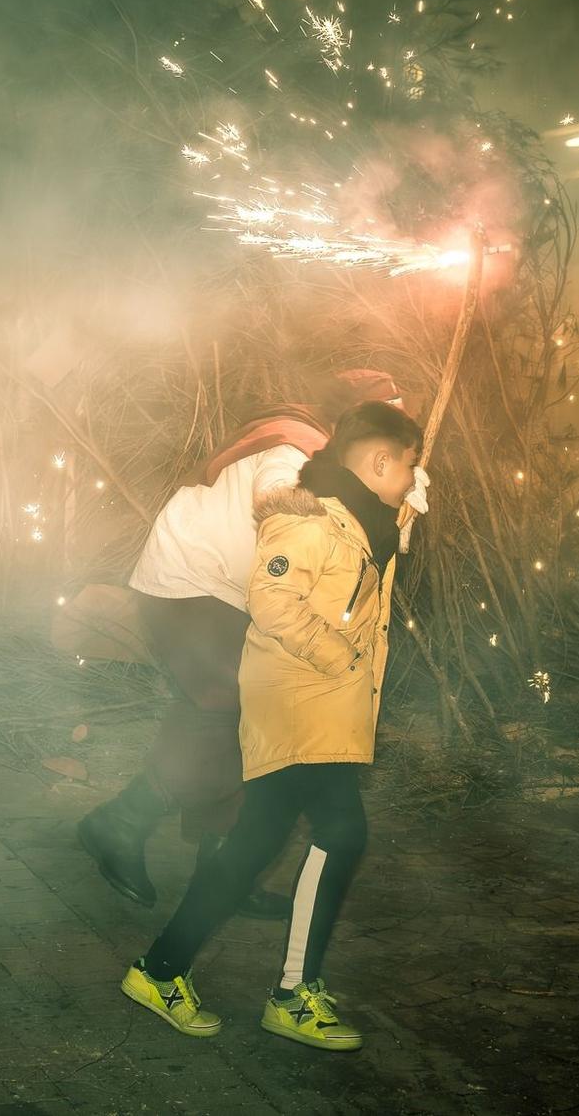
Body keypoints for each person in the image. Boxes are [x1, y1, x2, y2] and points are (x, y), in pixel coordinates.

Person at [119, 400, 423, 1053]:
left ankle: (161, 970)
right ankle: (291, 994)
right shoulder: (309, 516)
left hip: (328, 708)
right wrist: (336, 655)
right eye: (407, 466)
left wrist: (405, 518)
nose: (412, 479)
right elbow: (273, 597)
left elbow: (366, 594)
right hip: (295, 702)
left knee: (252, 847)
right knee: (342, 831)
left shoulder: (367, 523)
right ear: (377, 461)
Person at [79, 370, 402, 920]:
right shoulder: (295, 445)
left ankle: (223, 868)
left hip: (237, 598)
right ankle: (120, 821)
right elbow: (277, 496)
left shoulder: (341, 467)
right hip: (190, 584)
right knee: (226, 705)